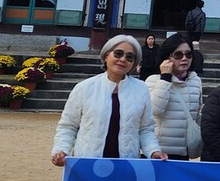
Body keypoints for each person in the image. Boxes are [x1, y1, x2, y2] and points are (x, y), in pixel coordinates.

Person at [51, 34, 166, 165]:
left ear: (134, 62)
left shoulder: (141, 89)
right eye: (118, 54)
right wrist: (61, 150)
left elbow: (145, 129)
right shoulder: (84, 88)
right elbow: (68, 126)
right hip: (88, 164)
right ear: (106, 55)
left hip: (126, 164)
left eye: (129, 57)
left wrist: (153, 151)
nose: (123, 59)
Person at [145, 34, 203, 160]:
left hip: (184, 152)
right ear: (167, 57)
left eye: (188, 54)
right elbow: (155, 111)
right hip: (159, 153)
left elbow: (197, 114)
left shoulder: (195, 81)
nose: (184, 59)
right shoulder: (153, 81)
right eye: (178, 55)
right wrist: (165, 78)